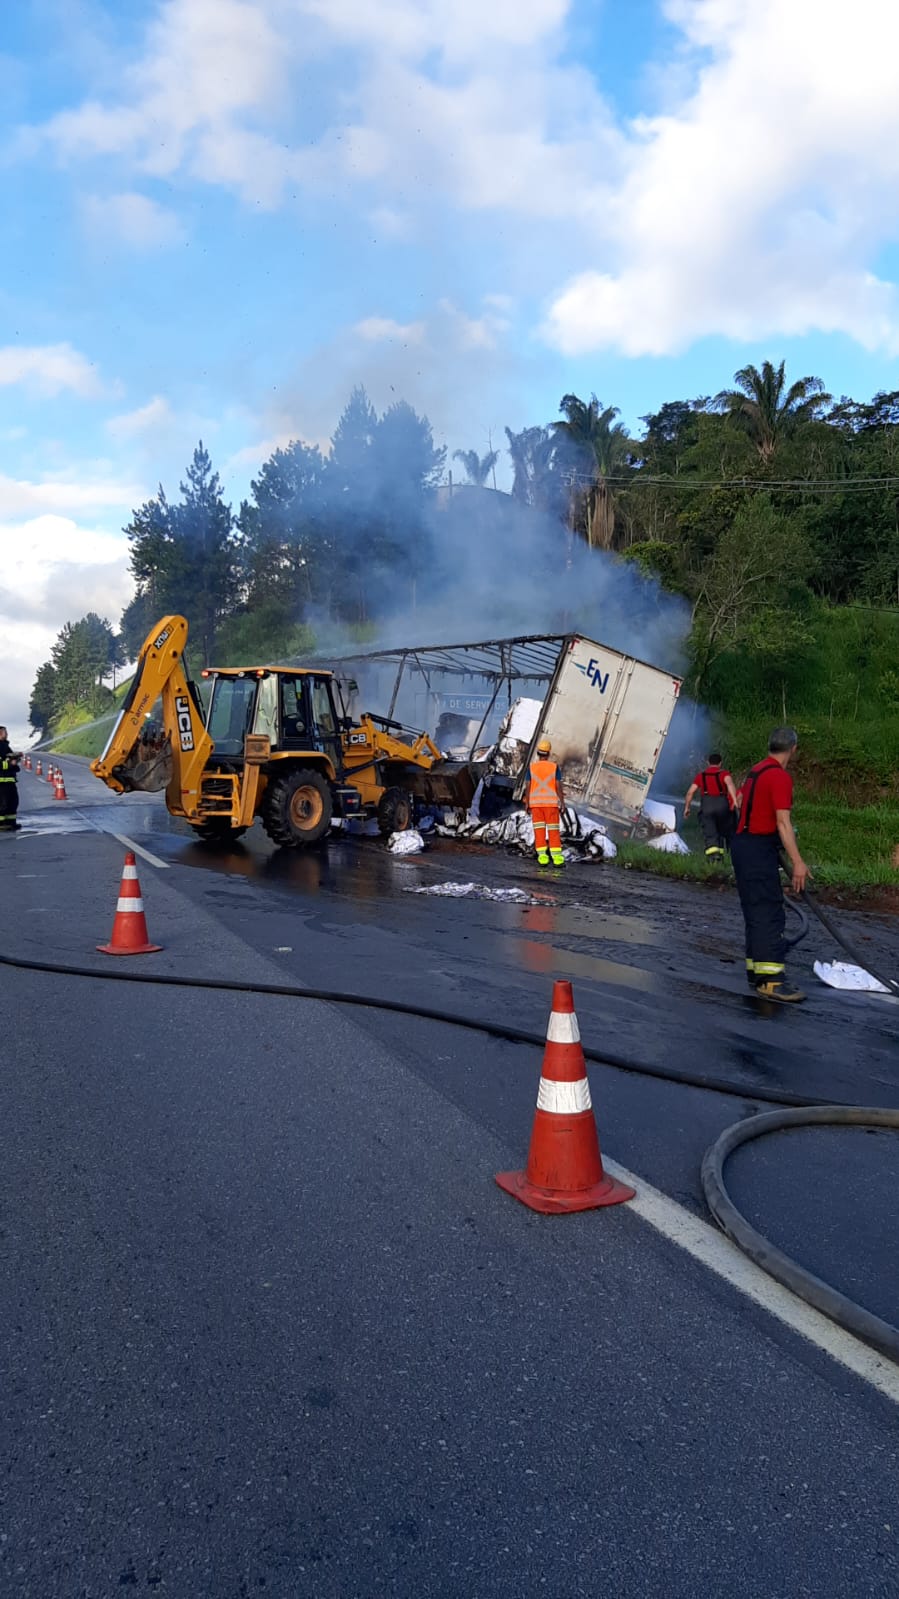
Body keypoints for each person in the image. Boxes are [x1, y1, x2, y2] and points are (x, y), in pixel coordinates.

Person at [731, 726, 810, 1003]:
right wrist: (798, 863)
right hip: (757, 848)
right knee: (768, 911)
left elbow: (738, 800)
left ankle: (756, 973)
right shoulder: (779, 777)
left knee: (755, 910)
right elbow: (783, 822)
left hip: (743, 846)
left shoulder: (756, 771)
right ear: (793, 750)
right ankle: (772, 981)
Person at [683, 751, 739, 857]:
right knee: (725, 831)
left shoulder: (701, 776)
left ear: (708, 762)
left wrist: (687, 808)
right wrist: (735, 801)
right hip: (722, 805)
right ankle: (727, 855)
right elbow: (730, 785)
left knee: (710, 832)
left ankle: (714, 857)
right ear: (720, 763)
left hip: (707, 806)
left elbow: (690, 792)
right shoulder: (724, 774)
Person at [527, 735, 565, 867]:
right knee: (553, 831)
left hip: (536, 805)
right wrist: (562, 803)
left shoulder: (532, 768)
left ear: (538, 753)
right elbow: (558, 785)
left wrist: (527, 803)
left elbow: (528, 785)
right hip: (551, 805)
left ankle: (542, 858)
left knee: (539, 831)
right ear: (548, 753)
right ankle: (557, 860)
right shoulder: (554, 767)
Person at [0, 726, 22, 832]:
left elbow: (8, 757)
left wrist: (15, 757)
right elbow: (3, 763)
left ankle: (11, 823)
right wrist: (10, 763)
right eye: (5, 732)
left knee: (13, 802)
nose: (7, 734)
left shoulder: (5, 746)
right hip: (1, 782)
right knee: (3, 804)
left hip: (9, 781)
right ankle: (1, 824)